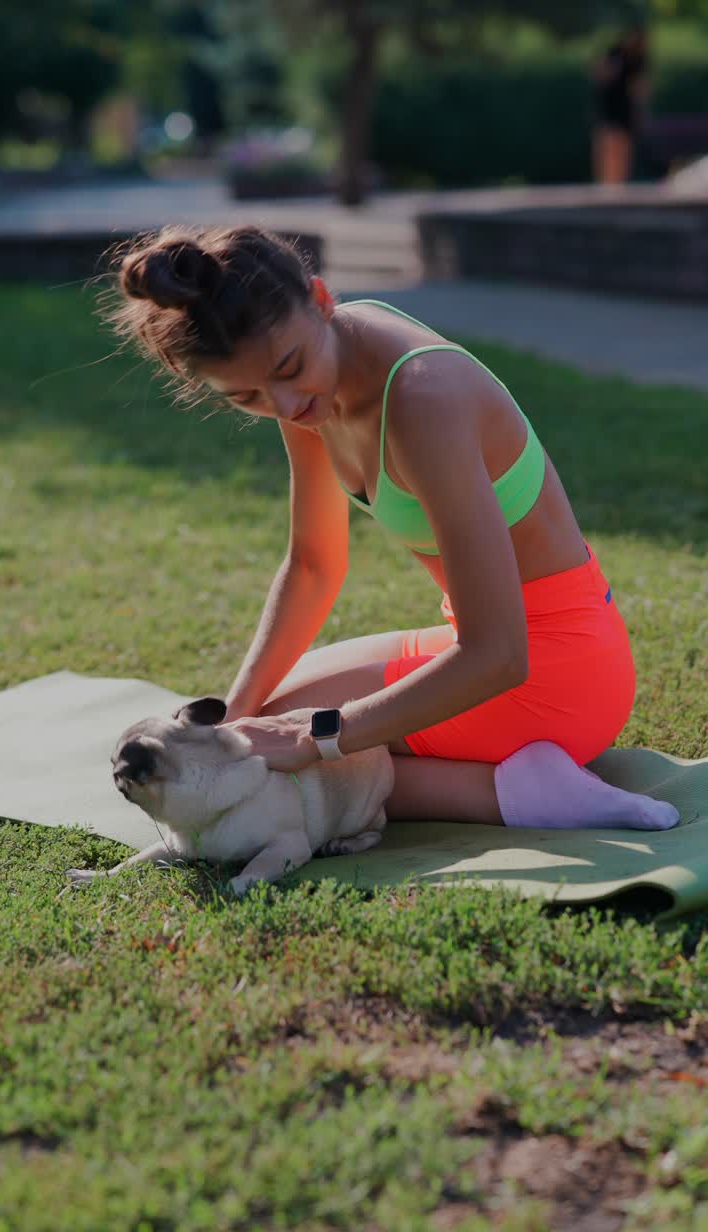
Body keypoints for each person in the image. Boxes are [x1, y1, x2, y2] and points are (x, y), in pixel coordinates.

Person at [108, 225, 679, 832]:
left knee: (292, 762)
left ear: (322, 299)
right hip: (490, 642)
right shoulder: (308, 381)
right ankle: (527, 778)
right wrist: (237, 718)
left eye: (288, 368)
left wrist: (322, 739)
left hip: (557, 673)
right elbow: (312, 565)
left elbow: (500, 654)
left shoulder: (421, 398)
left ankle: (518, 794)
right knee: (261, 735)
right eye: (245, 395)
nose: (282, 404)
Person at [592, 24, 650, 184]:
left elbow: (640, 90)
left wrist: (641, 110)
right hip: (610, 109)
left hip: (626, 111)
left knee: (623, 149)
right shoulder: (613, 53)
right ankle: (606, 184)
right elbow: (600, 77)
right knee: (608, 147)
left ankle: (618, 185)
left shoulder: (639, 59)